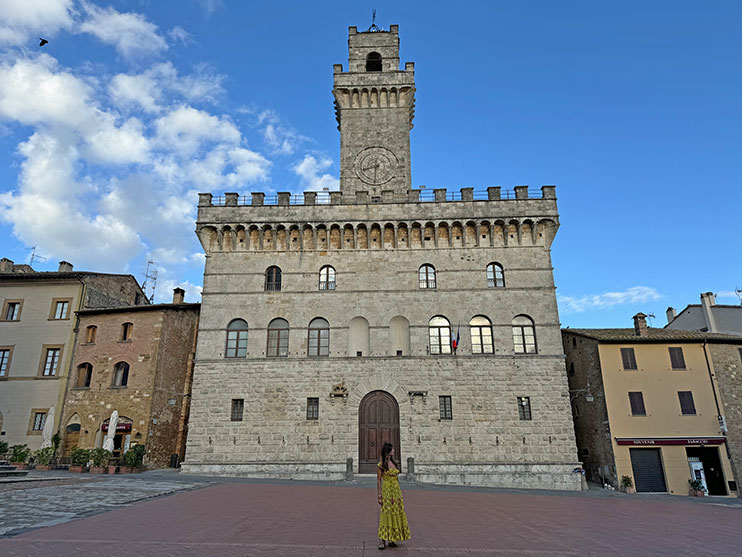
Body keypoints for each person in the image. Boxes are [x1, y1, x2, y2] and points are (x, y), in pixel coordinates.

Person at [377, 442, 410, 550]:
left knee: (395, 514)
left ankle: (391, 539)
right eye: (392, 450)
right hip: (387, 492)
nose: (394, 451)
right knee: (386, 515)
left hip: (396, 493)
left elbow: (396, 479)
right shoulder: (381, 464)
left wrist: (400, 492)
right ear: (388, 451)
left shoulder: (394, 463)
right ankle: (382, 540)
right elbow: (378, 481)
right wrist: (379, 495)